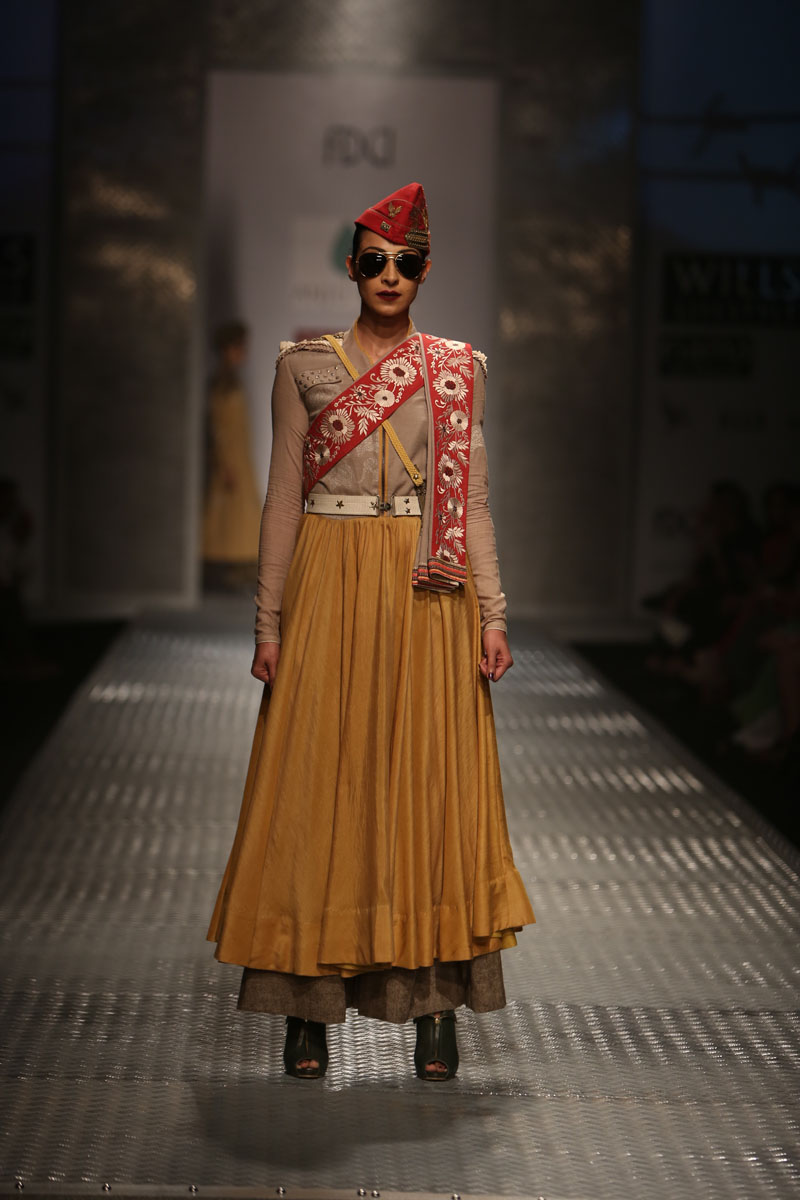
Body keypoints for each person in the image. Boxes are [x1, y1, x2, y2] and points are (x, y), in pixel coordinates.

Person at [207, 183, 535, 1082]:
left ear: (426, 271)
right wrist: (268, 621)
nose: (392, 275)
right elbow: (282, 498)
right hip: (328, 579)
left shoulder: (457, 369)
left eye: (408, 261)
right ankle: (305, 1012)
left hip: (429, 593)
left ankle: (435, 1012)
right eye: (377, 261)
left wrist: (494, 613)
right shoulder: (303, 367)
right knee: (316, 785)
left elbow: (471, 503)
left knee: (428, 789)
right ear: (353, 268)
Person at [202, 320, 262, 589]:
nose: (243, 353)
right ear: (227, 349)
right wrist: (224, 462)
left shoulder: (231, 381)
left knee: (240, 512)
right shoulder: (221, 384)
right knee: (225, 512)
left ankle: (237, 564)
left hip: (238, 456)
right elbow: (218, 426)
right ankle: (221, 564)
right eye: (239, 347)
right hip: (228, 460)